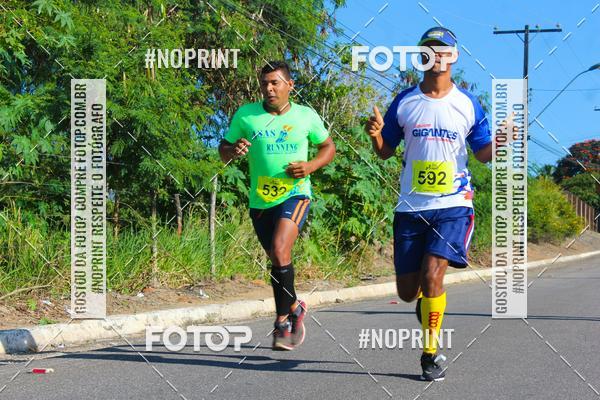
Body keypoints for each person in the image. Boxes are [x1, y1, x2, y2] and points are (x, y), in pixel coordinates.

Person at [365, 27, 492, 381]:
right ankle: (427, 301)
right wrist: (375, 136)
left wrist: (500, 141)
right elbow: (385, 151)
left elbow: (482, 154)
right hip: (411, 207)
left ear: (455, 56)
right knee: (408, 292)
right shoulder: (405, 101)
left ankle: (430, 354)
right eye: (429, 50)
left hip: (453, 204)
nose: (436, 56)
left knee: (434, 274)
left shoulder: (467, 103)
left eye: (443, 50)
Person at [219, 61, 336, 350]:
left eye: (275, 83)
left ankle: (282, 322)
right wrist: (233, 149)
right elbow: (223, 150)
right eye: (265, 84)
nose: (269, 88)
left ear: (290, 85)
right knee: (276, 259)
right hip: (260, 200)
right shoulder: (246, 115)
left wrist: (310, 166)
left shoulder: (305, 116)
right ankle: (295, 306)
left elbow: (328, 147)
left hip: (295, 194)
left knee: (281, 248)